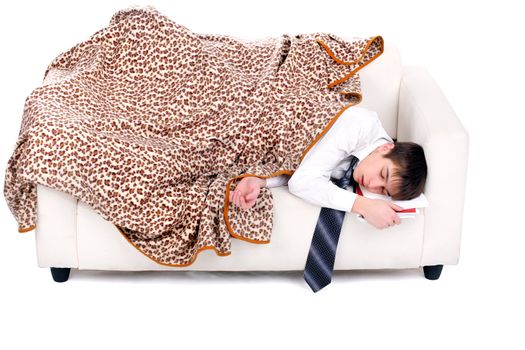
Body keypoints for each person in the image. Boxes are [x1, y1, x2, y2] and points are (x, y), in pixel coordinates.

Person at [229, 106, 427, 230]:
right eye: (383, 174)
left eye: (383, 191)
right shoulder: (360, 126)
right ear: (386, 148)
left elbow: (306, 165)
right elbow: (303, 181)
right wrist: (364, 205)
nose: (373, 184)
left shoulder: (358, 167)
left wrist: (262, 180)